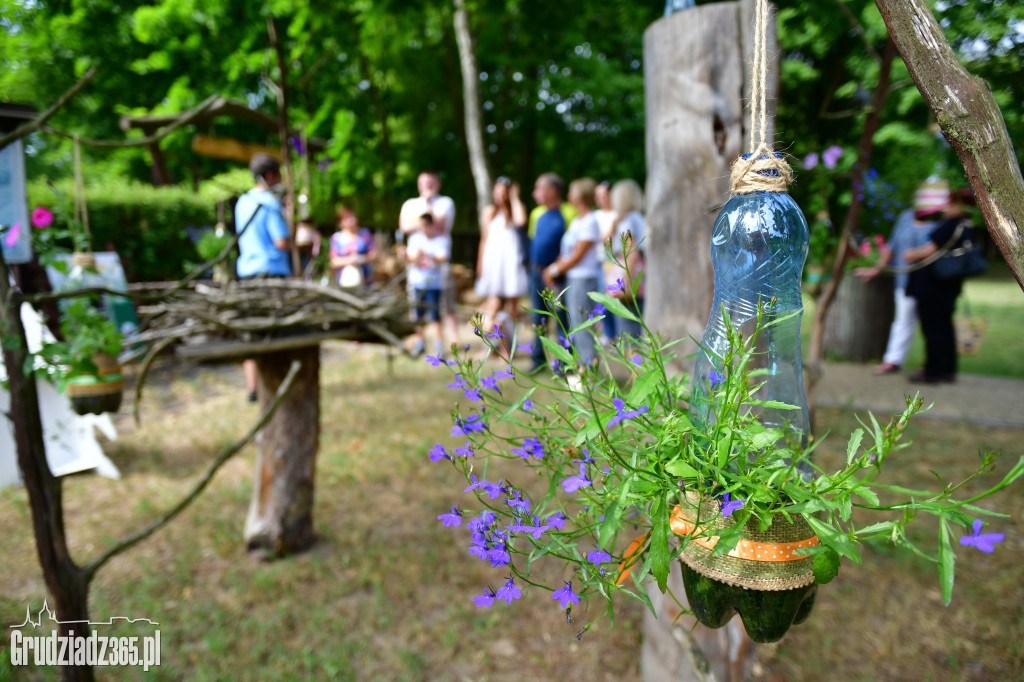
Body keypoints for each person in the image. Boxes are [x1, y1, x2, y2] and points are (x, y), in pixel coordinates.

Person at [854, 181, 944, 374]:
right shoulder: (905, 217)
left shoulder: (940, 223)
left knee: (933, 324)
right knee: (903, 320)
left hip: (930, 283)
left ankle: (935, 365)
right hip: (905, 282)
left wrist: (916, 254)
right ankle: (893, 360)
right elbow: (892, 248)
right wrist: (876, 269)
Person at [236, 153, 293, 402]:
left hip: (247, 273)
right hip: (272, 273)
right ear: (270, 176)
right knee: (275, 333)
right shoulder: (269, 203)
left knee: (252, 331)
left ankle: (252, 388)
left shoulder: (242, 202)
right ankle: (277, 385)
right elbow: (281, 242)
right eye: (279, 175)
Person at [903, 184, 973, 384]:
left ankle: (933, 371)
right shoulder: (966, 226)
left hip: (934, 288)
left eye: (950, 203)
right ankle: (947, 369)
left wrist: (911, 254)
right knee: (944, 328)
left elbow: (930, 249)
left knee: (933, 329)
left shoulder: (952, 225)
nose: (946, 207)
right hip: (947, 287)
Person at [543, 177, 601, 366]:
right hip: (571, 278)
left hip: (583, 279)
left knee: (582, 325)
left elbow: (578, 255)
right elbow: (567, 252)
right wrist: (555, 270)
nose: (569, 195)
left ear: (581, 195)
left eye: (572, 192)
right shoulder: (578, 220)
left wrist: (553, 269)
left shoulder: (590, 221)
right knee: (574, 324)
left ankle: (590, 368)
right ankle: (581, 366)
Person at [399, 171, 458, 345]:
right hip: (418, 270)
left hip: (438, 271)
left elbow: (438, 225)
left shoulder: (445, 202)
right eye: (423, 183)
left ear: (437, 184)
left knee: (443, 306)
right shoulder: (410, 203)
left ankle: (450, 341)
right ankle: (420, 341)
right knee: (417, 307)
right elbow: (404, 226)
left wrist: (427, 206)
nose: (427, 186)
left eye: (430, 182)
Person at [475, 176, 528, 351]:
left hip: (510, 263)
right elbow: (484, 239)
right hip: (493, 263)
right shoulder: (489, 212)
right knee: (492, 304)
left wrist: (514, 197)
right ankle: (492, 344)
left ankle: (510, 343)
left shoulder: (514, 212)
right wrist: (480, 263)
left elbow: (521, 221)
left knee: (513, 305)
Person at [528, 173, 571, 371]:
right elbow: (534, 242)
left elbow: (573, 246)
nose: (534, 193)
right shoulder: (536, 214)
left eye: (539, 188)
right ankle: (538, 361)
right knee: (538, 318)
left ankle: (564, 362)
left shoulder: (569, 212)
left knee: (562, 319)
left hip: (558, 276)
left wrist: (554, 270)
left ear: (551, 191)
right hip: (536, 274)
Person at [605, 179, 647, 340]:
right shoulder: (638, 218)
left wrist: (622, 284)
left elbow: (631, 252)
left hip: (628, 277)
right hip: (640, 276)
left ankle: (635, 364)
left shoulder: (627, 220)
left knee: (629, 332)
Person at [406, 213, 450, 358]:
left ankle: (439, 346)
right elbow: (411, 258)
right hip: (418, 282)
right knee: (418, 315)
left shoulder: (440, 240)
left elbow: (442, 258)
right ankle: (420, 343)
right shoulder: (415, 239)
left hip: (434, 284)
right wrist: (418, 255)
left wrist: (427, 254)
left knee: (435, 315)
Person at [329, 205, 377, 288]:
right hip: (343, 282)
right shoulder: (336, 238)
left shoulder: (364, 234)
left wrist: (361, 259)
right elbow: (333, 261)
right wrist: (349, 260)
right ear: (341, 222)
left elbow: (373, 254)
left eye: (353, 216)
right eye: (348, 218)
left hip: (365, 281)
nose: (352, 220)